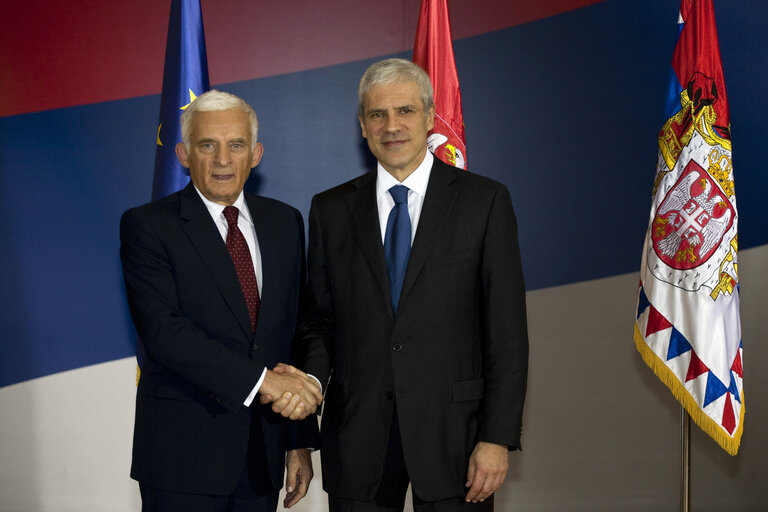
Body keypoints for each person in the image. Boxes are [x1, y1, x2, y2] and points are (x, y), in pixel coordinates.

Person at [295, 58, 529, 510]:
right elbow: (319, 323)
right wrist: (307, 387)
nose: (392, 126)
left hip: (457, 441)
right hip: (357, 438)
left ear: (428, 117)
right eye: (377, 114)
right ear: (362, 125)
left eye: (404, 111)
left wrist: (496, 438)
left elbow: (506, 334)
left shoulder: (484, 201)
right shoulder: (330, 210)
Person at [120, 89, 322, 511]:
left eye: (236, 145)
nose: (223, 159)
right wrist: (266, 382)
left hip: (262, 459)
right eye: (207, 145)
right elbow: (165, 334)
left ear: (256, 153)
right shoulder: (148, 226)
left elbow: (295, 331)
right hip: (182, 462)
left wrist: (298, 441)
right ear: (183, 153)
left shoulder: (285, 222)